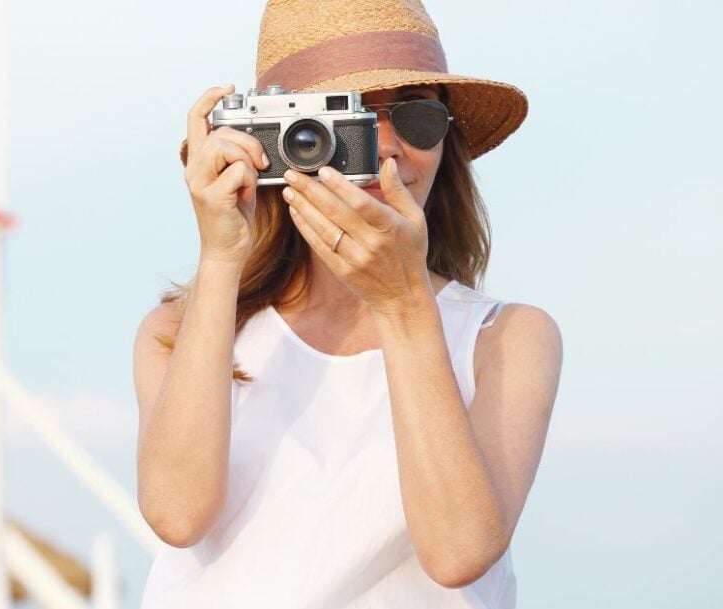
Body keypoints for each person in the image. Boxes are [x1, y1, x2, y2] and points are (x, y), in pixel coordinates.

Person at [133, 0, 563, 607]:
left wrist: (403, 301)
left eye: (416, 118)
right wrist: (221, 258)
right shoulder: (179, 331)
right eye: (348, 121)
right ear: (275, 141)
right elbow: (178, 515)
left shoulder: (507, 338)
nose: (385, 148)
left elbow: (459, 552)